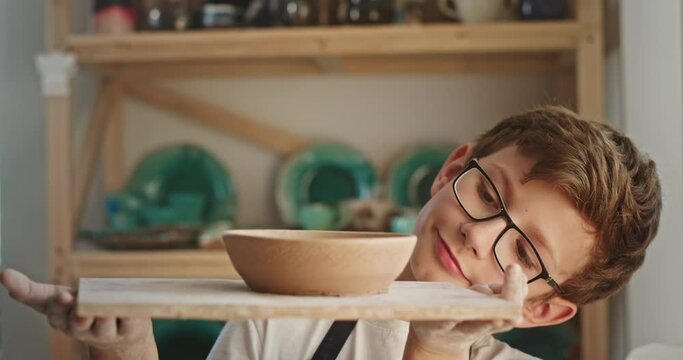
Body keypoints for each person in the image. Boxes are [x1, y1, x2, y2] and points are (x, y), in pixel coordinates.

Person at [0, 106, 662, 359]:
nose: (478, 237)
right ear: (450, 171)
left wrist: (430, 346)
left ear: (543, 308)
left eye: (521, 250)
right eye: (487, 193)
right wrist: (127, 348)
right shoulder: (283, 323)